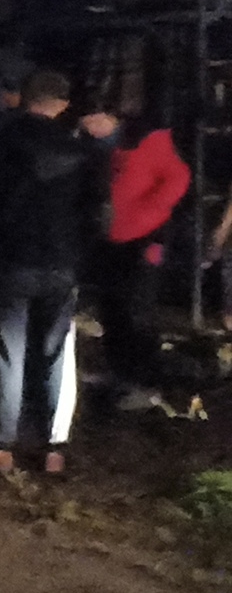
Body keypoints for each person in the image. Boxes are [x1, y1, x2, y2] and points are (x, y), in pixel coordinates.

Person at [0, 68, 110, 475]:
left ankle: (2, 445)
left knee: (7, 352)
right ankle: (54, 448)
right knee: (57, 353)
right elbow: (100, 214)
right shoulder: (85, 153)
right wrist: (81, 253)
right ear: (64, 105)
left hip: (11, 261)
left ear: (25, 98)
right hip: (63, 265)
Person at [77, 95, 188, 412]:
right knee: (112, 308)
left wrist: (150, 210)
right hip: (108, 239)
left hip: (143, 237)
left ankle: (146, 381)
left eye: (97, 119)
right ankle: (121, 375)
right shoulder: (91, 148)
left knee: (136, 309)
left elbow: (177, 177)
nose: (92, 126)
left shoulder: (148, 140)